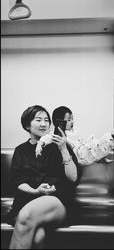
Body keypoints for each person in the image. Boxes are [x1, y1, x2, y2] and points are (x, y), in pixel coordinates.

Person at [8, 105, 80, 249]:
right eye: (38, 120)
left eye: (46, 120)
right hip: (26, 200)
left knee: (26, 216)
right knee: (37, 237)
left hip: (56, 200)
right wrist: (35, 191)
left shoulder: (59, 145)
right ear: (27, 125)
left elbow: (73, 178)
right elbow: (18, 180)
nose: (43, 124)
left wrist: (63, 148)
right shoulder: (20, 150)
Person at [35, 106, 114, 165]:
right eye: (69, 119)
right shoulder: (57, 133)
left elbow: (85, 143)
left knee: (92, 142)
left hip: (83, 151)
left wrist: (99, 158)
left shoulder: (74, 131)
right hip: (78, 155)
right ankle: (112, 134)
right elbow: (47, 138)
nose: (72, 121)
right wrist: (40, 144)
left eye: (72, 118)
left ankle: (100, 157)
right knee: (91, 146)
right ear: (60, 122)